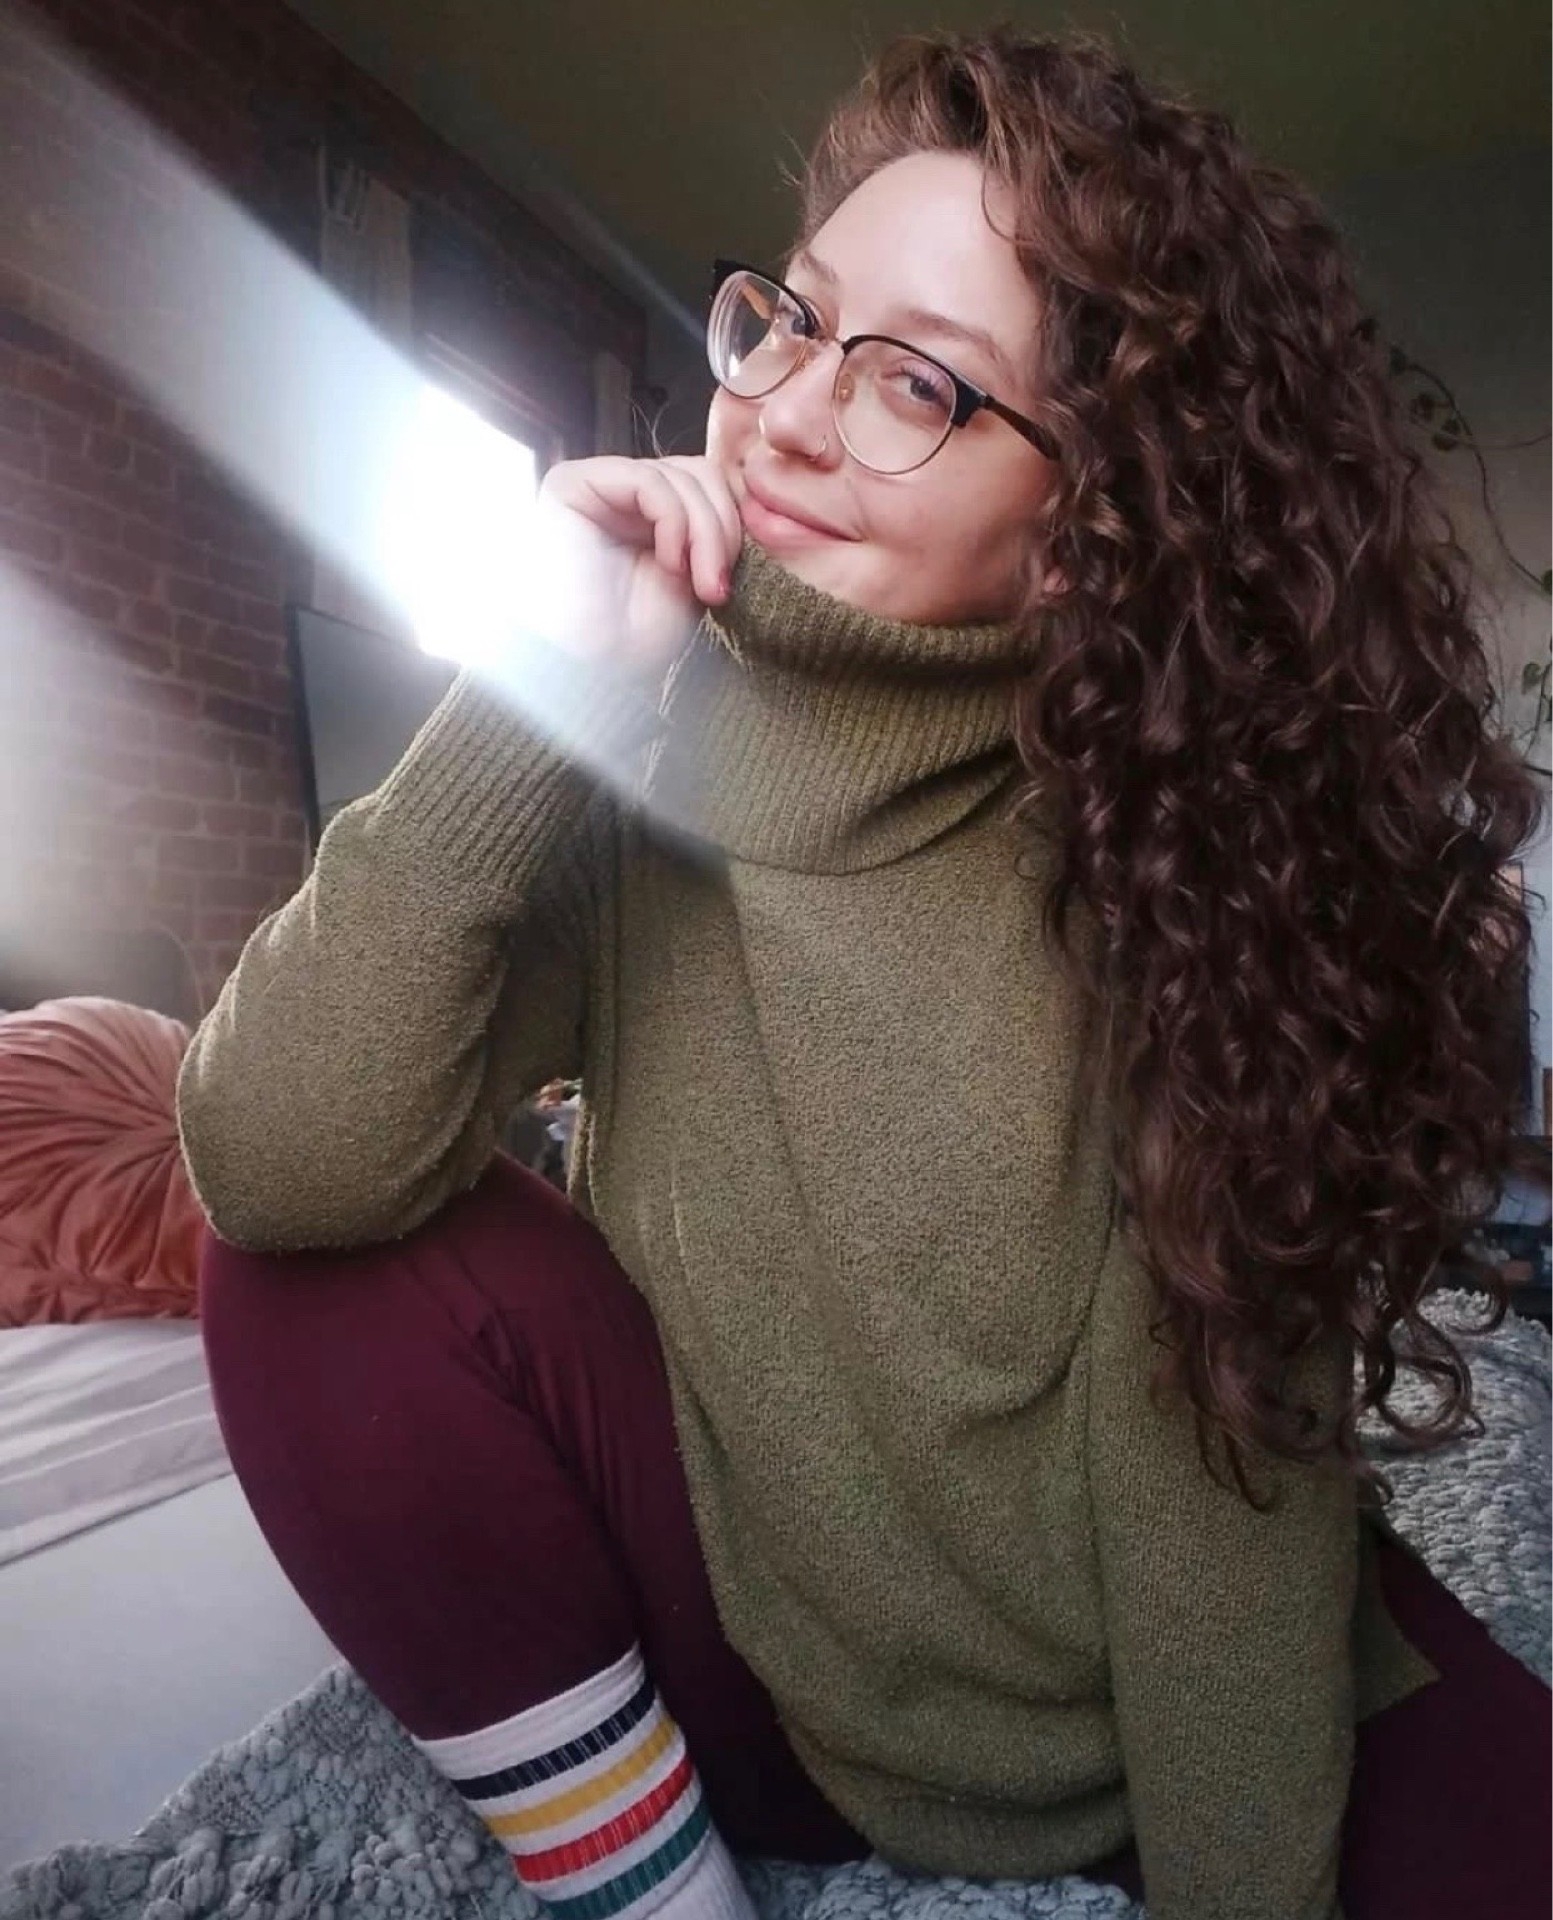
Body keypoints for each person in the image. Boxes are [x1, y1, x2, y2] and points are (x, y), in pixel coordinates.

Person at [176, 25, 1551, 1920]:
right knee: (305, 1270)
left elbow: (1218, 1522)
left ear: (1087, 535)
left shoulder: (1188, 873)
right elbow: (273, 1159)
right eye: (795, 321)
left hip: (1124, 1690)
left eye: (915, 379)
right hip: (770, 1685)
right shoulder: (629, 750)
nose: (792, 415)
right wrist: (525, 696)